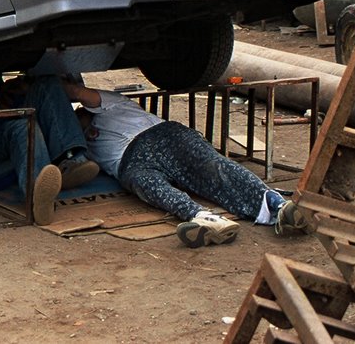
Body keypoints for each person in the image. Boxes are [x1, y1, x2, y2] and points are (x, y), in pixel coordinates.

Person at [55, 78, 309, 248]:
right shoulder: (82, 149)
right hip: (130, 163)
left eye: (76, 114)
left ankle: (275, 205)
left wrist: (44, 82)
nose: (77, 118)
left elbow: (76, 92)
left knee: (213, 168)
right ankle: (205, 219)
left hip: (161, 136)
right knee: (148, 186)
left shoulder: (108, 104)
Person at [0, 75, 99, 226]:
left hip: (26, 142)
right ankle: (37, 196)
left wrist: (9, 87)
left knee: (49, 83)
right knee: (25, 127)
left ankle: (70, 162)